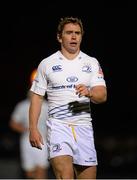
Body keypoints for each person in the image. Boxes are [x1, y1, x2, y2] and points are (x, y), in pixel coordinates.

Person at [29, 16, 107, 179]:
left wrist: (90, 92)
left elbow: (102, 95)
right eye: (69, 33)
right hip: (58, 127)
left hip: (83, 128)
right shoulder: (47, 63)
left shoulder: (91, 62)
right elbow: (36, 98)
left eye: (77, 33)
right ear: (59, 37)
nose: (74, 36)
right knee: (65, 175)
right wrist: (33, 128)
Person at [9, 69, 49, 179]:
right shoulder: (22, 105)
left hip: (43, 141)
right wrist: (27, 130)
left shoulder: (47, 106)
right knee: (29, 173)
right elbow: (13, 123)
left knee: (41, 170)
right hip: (26, 141)